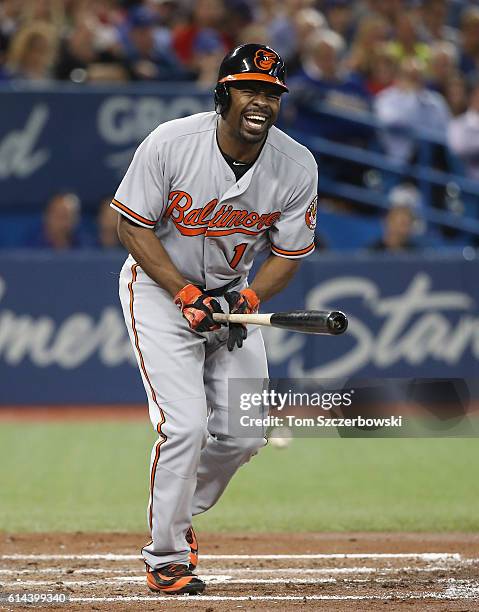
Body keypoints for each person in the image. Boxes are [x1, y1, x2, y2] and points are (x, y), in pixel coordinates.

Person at [111, 43, 318, 595]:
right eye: (251, 88)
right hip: (159, 290)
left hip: (231, 301)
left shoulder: (296, 165)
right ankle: (166, 556)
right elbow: (132, 228)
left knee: (245, 433)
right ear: (224, 92)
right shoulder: (172, 142)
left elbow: (290, 254)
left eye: (272, 93)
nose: (262, 101)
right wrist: (182, 292)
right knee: (185, 425)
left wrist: (245, 303)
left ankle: (178, 515)